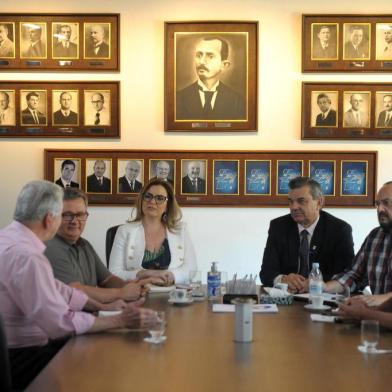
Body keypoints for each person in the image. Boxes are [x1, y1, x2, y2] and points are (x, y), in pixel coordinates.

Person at [0, 180, 157, 390]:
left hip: (17, 353)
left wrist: (100, 307)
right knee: (107, 369)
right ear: (50, 219)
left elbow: (56, 288)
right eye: (63, 215)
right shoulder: (27, 256)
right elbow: (59, 323)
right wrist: (119, 321)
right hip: (23, 359)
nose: (73, 221)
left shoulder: (8, 239)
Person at [45, 188, 157, 304]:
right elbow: (76, 291)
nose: (75, 221)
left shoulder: (84, 244)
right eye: (68, 215)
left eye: (80, 214)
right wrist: (121, 293)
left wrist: (131, 286)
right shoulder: (51, 247)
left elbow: (107, 279)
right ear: (55, 216)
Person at [259, 176, 354, 292]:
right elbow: (266, 272)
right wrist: (282, 279)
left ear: (319, 202)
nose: (294, 207)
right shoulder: (278, 227)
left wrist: (317, 283)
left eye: (301, 201)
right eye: (291, 201)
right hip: (287, 299)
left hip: (323, 299)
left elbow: (347, 274)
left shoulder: (339, 230)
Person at [109, 178, 197, 284]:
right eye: (148, 196)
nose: (152, 201)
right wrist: (142, 274)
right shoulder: (124, 231)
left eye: (159, 198)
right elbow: (114, 273)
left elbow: (191, 267)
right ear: (141, 200)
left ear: (167, 205)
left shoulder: (180, 230)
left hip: (172, 294)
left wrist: (169, 276)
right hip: (136, 294)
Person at [324, 182, 392, 306]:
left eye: (386, 203)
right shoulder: (375, 236)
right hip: (378, 315)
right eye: (378, 204)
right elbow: (355, 275)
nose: (380, 209)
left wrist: (383, 299)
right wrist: (324, 287)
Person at [176, 36, 246, 120]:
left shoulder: (237, 101)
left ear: (224, 65)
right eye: (199, 55)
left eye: (210, 56)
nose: (201, 61)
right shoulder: (178, 98)